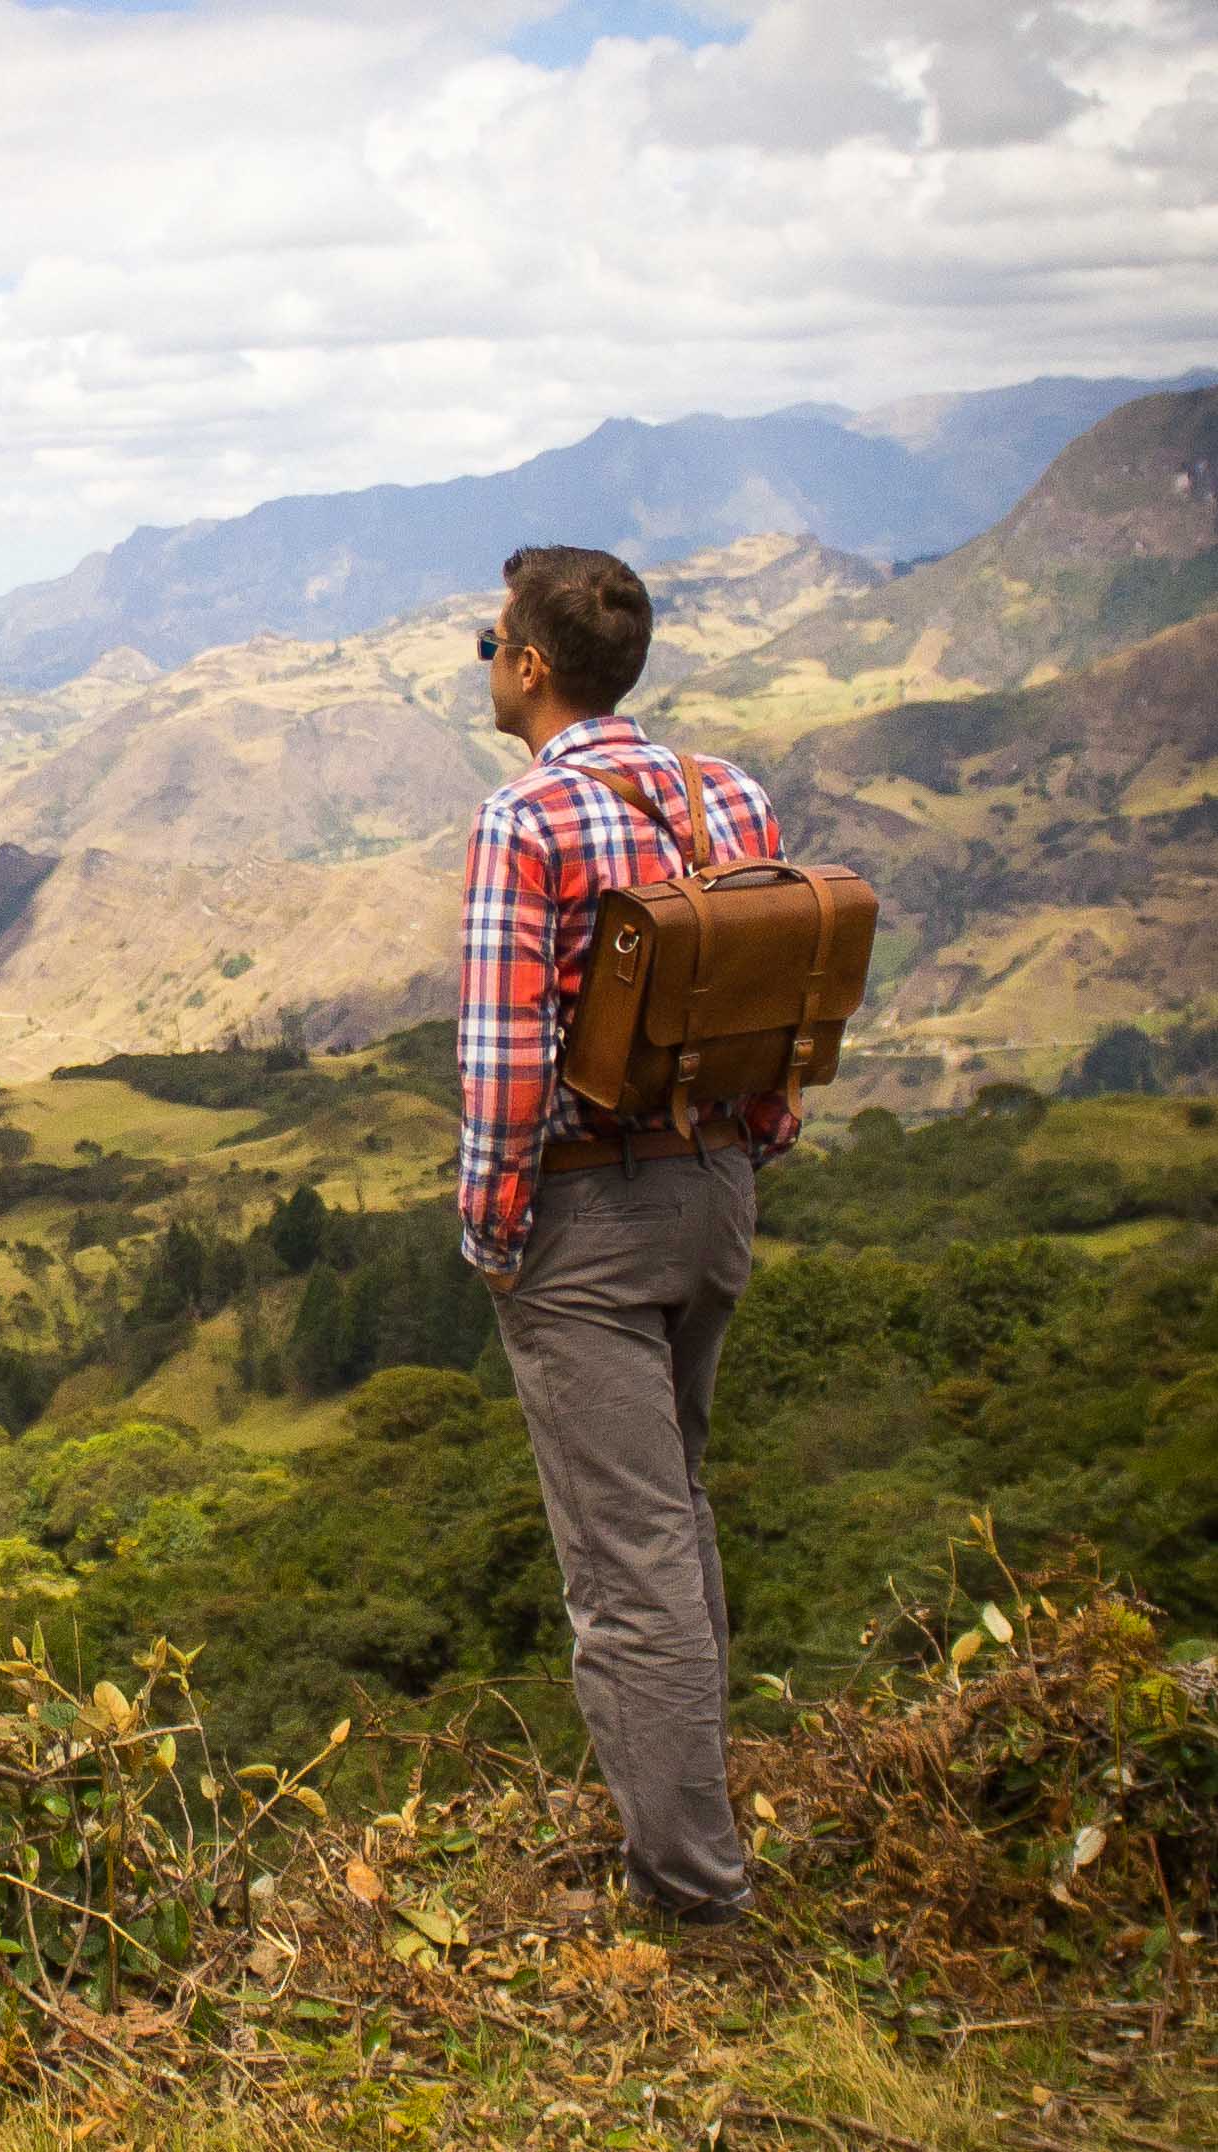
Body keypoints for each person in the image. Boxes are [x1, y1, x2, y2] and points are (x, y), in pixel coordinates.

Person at [457, 543, 797, 1928]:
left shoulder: (526, 819)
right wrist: (750, 1145)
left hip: (589, 1223)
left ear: (533, 667)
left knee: (626, 1564)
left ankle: (693, 1898)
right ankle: (695, 1828)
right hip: (717, 1193)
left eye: (490, 645)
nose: (483, 665)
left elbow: (505, 1059)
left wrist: (495, 1234)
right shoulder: (732, 795)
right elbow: (782, 985)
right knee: (678, 1522)